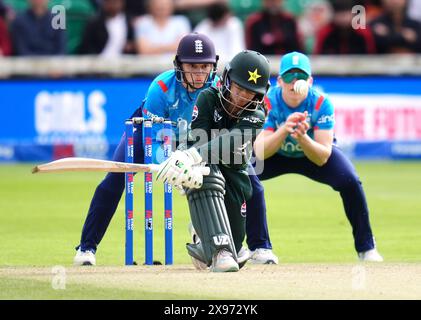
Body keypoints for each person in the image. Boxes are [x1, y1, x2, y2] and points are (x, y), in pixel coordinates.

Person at [73, 32, 218, 265]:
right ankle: (86, 248)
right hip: (148, 132)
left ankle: (217, 239)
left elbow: (218, 132)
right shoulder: (160, 88)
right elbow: (156, 142)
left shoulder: (218, 88)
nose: (200, 73)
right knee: (113, 182)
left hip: (195, 138)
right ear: (179, 64)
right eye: (193, 66)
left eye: (205, 66)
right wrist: (173, 165)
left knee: (220, 180)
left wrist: (194, 161)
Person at [252, 51, 384, 262]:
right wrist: (285, 129)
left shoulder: (321, 103)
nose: (294, 82)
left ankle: (367, 247)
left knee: (350, 181)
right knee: (242, 176)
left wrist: (302, 138)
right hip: (275, 152)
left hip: (311, 154)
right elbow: (259, 151)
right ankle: (258, 248)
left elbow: (323, 156)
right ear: (279, 81)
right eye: (289, 77)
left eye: (301, 77)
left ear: (310, 81)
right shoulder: (267, 101)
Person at [156, 50, 271, 272]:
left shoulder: (257, 114)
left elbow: (232, 141)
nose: (241, 98)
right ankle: (215, 244)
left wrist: (191, 156)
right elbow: (199, 140)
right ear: (227, 80)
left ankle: (202, 234)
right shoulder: (208, 97)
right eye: (238, 88)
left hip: (237, 173)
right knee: (205, 173)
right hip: (210, 167)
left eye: (249, 93)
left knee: (235, 247)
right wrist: (185, 162)